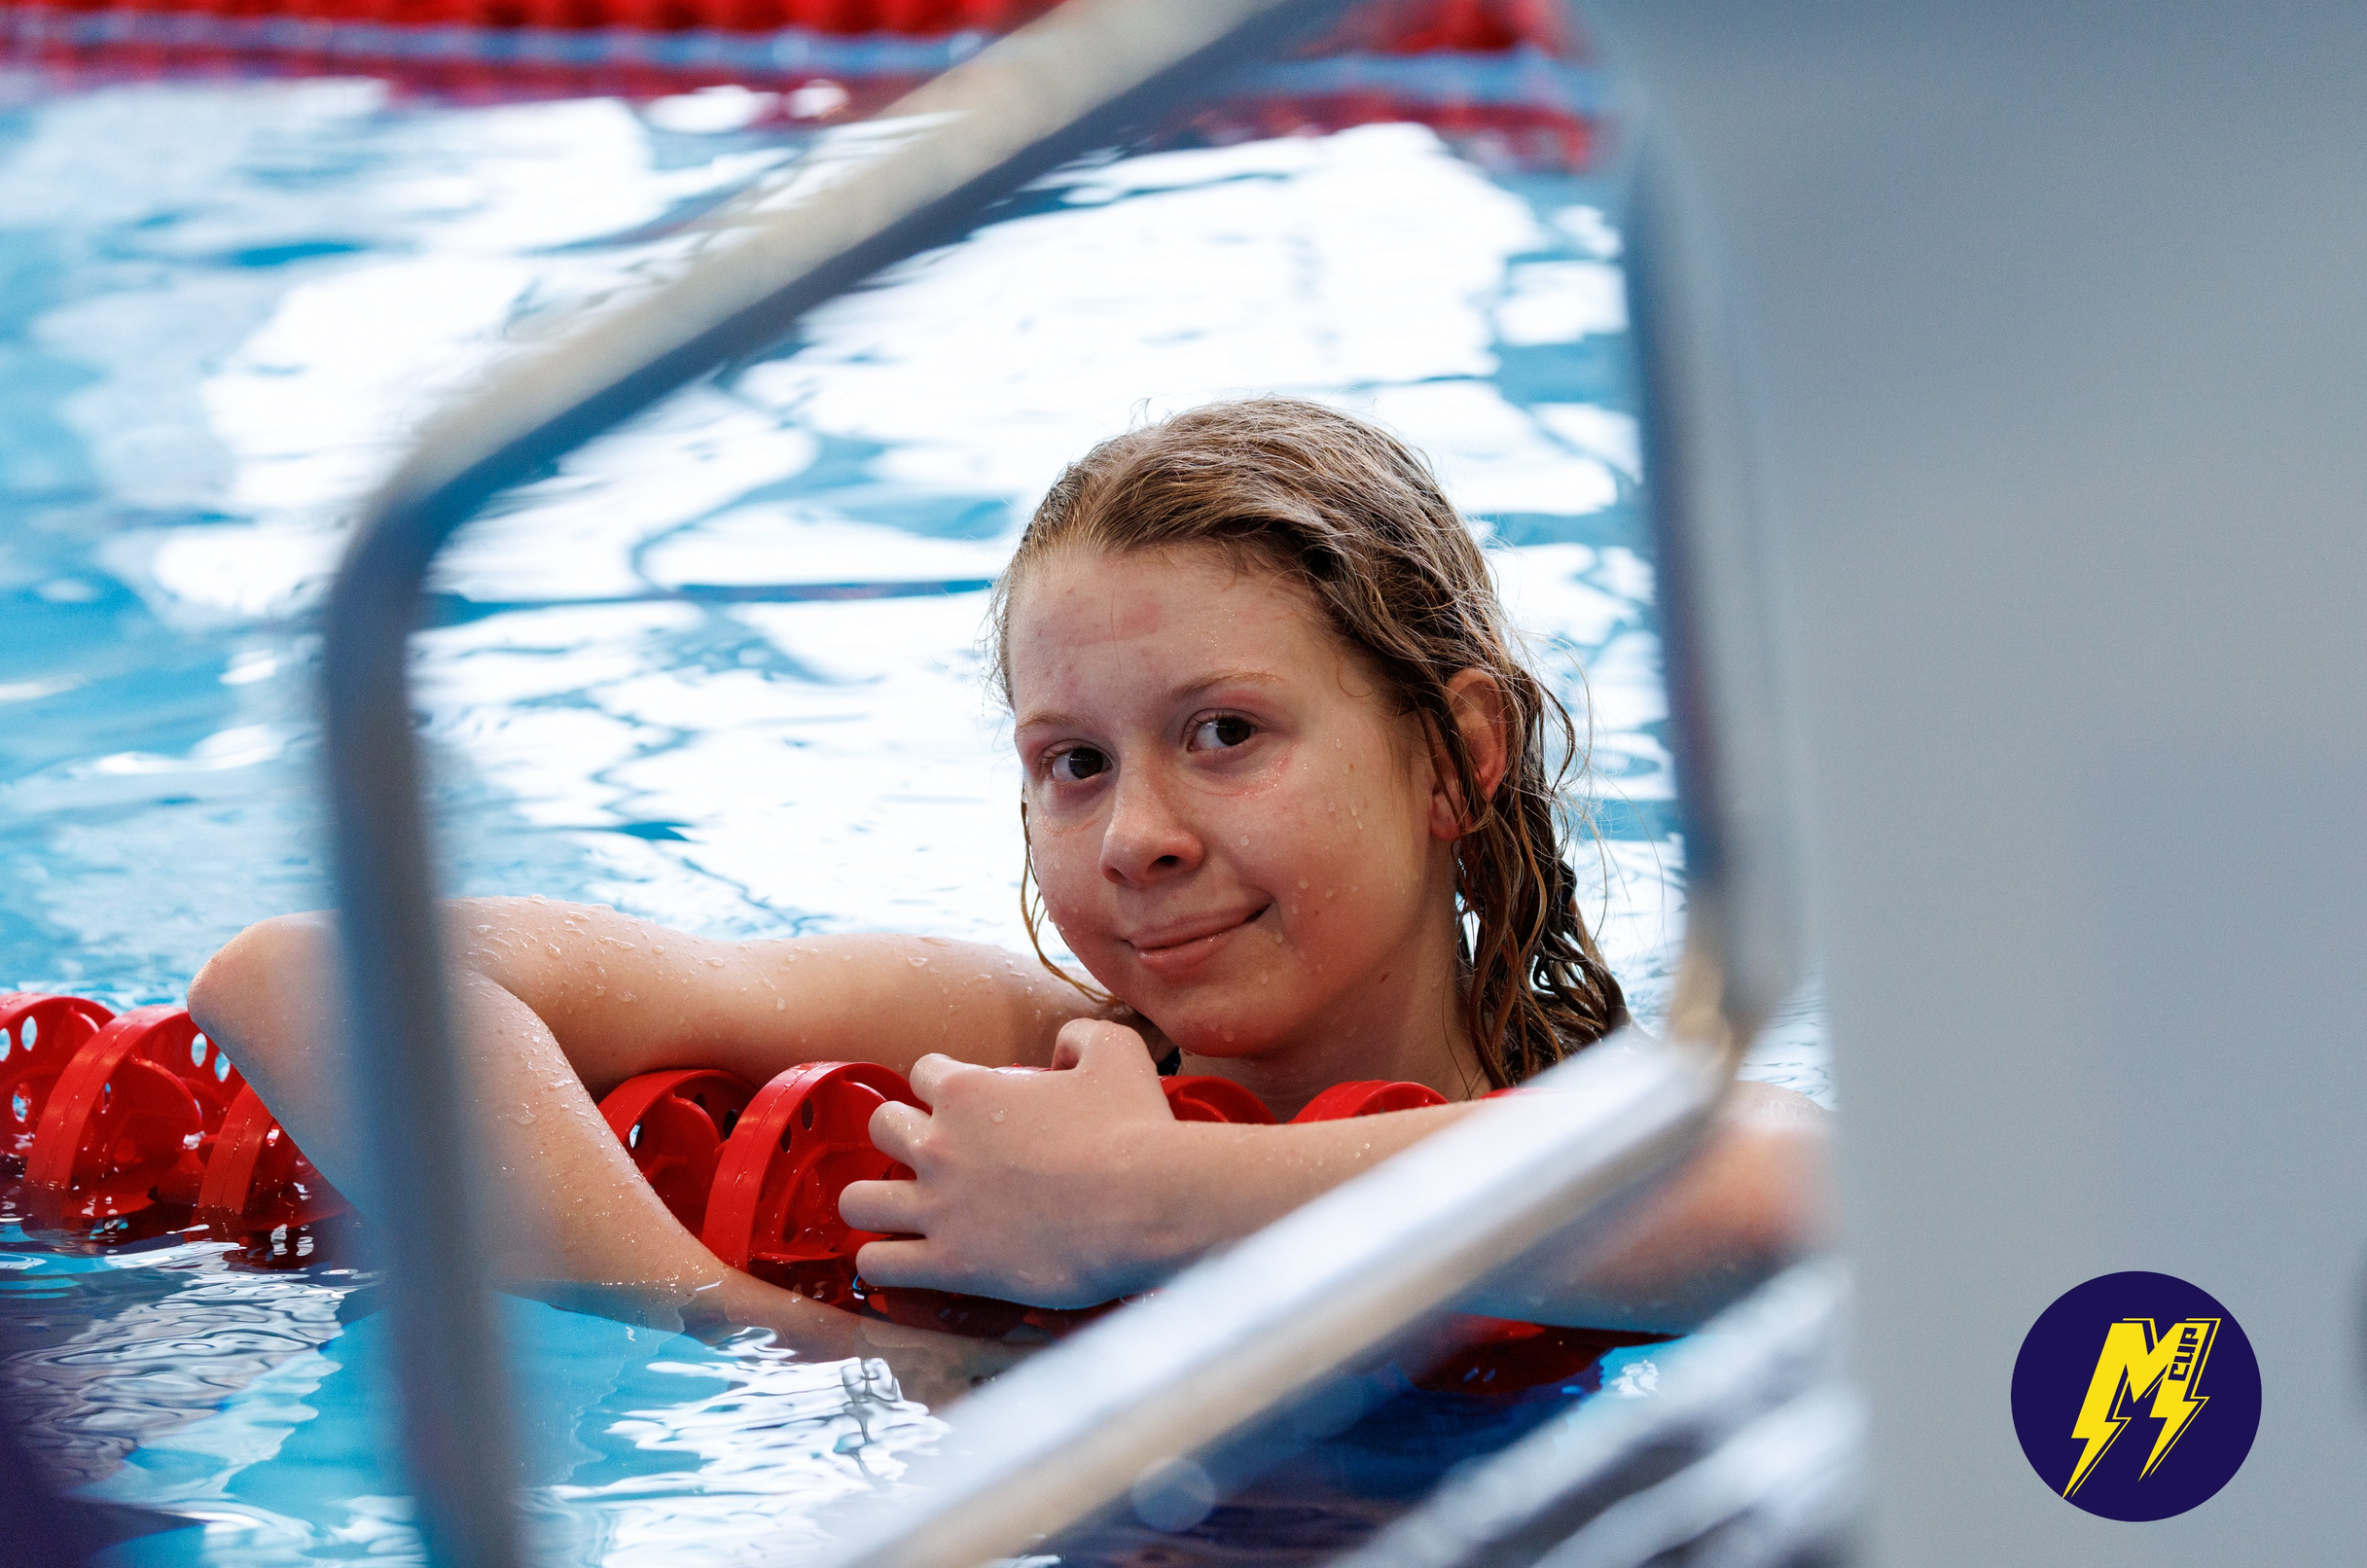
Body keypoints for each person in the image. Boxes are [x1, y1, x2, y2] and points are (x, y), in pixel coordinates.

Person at [189, 397, 1827, 1394]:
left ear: (1455, 757)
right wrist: (773, 1330)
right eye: (1074, 763)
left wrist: (1140, 1203)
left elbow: (1792, 1196)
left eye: (1226, 734)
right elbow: (307, 973)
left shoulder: (1596, 1117)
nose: (1139, 837)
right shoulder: (1001, 1050)